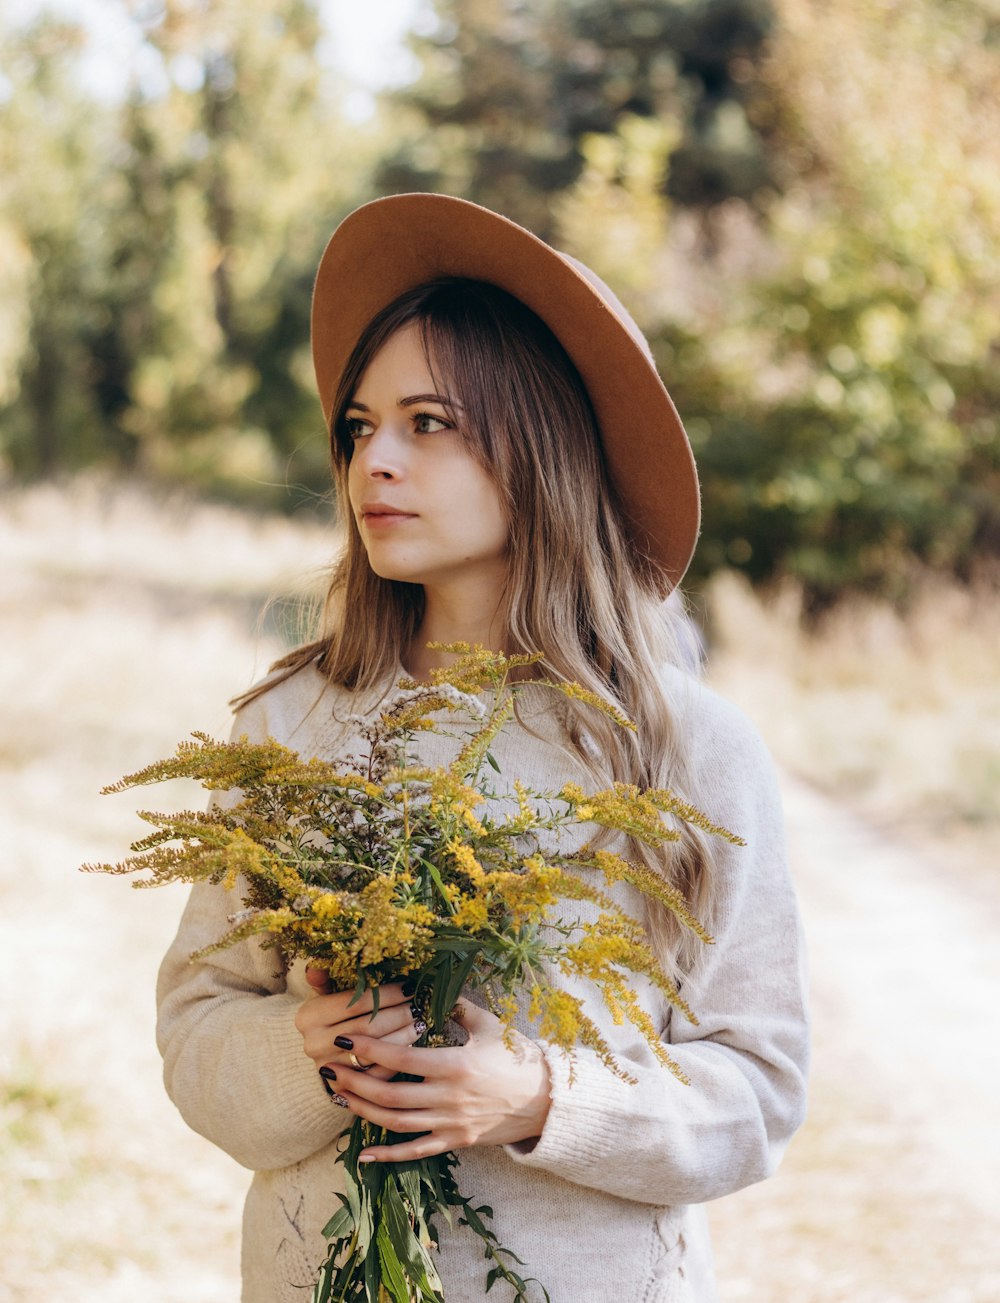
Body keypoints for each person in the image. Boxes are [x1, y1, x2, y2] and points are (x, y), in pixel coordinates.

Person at [156, 194, 809, 1303]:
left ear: (540, 447)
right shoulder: (288, 728)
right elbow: (197, 1030)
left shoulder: (683, 749)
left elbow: (755, 1090)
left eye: (429, 422)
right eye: (360, 427)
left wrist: (543, 1095)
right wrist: (310, 1044)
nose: (376, 463)